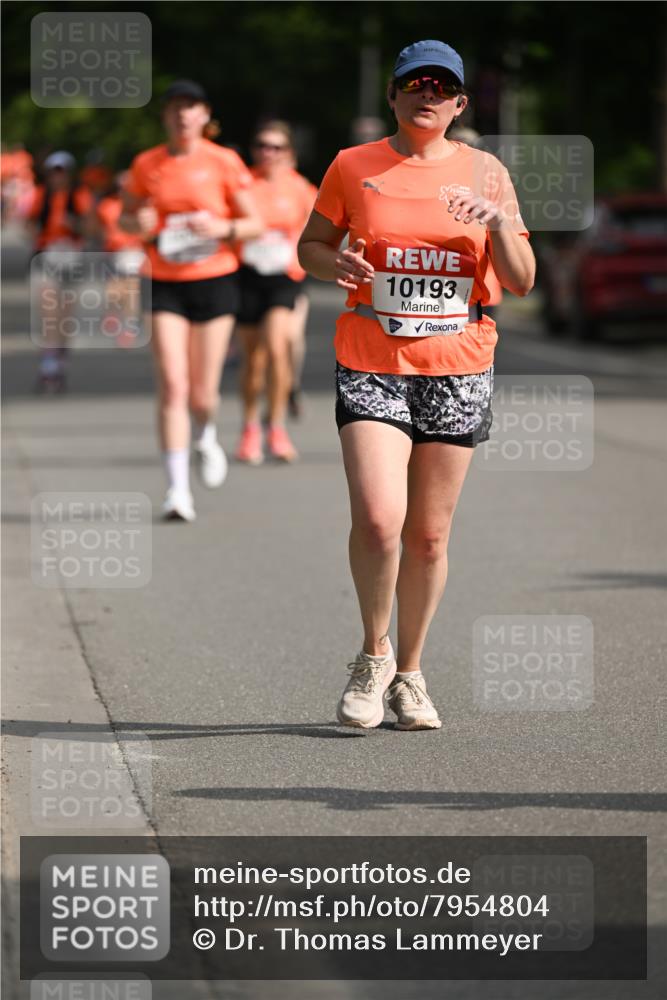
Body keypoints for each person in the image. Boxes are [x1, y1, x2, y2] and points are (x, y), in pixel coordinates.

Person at [298, 40, 535, 730]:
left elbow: (520, 280)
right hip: (371, 352)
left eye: (441, 86)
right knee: (378, 519)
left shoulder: (486, 172)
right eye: (413, 83)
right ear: (393, 97)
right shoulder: (353, 165)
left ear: (459, 103)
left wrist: (494, 222)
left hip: (458, 360)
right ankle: (370, 658)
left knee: (427, 537)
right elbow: (309, 246)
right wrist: (330, 265)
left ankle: (409, 673)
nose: (425, 94)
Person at [121, 80, 262, 521]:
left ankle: (205, 434)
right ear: (165, 116)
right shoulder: (148, 164)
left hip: (214, 280)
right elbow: (126, 216)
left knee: (202, 393)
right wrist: (138, 221)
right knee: (173, 385)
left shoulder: (223, 162)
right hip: (164, 280)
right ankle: (177, 490)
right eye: (176, 108)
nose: (183, 115)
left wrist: (222, 229)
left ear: (205, 116)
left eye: (192, 108)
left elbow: (254, 222)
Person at [234, 121, 316, 464]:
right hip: (248, 274)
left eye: (276, 147)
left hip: (284, 277)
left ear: (289, 153)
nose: (268, 153)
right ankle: (250, 426)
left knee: (278, 347)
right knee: (253, 359)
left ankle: (277, 427)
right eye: (262, 146)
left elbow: (316, 233)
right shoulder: (243, 185)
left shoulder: (301, 189)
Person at [28, 151, 93, 392]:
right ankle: (48, 364)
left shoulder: (79, 196)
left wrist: (73, 224)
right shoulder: (40, 195)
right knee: (48, 313)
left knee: (64, 317)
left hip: (72, 257)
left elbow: (91, 227)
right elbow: (29, 224)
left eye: (61, 171)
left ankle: (59, 358)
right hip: (47, 256)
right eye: (54, 172)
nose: (58, 177)